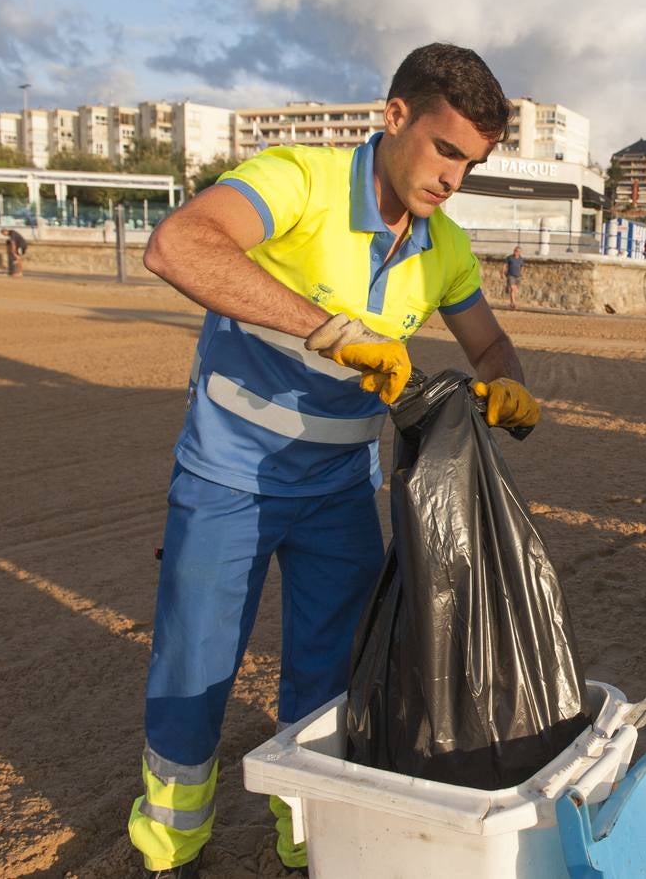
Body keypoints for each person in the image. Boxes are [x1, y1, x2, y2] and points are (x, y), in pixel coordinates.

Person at [127, 43, 541, 879]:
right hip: (227, 476)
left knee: (330, 677)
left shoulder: (444, 247)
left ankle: (309, 842)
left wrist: (505, 385)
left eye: (473, 162)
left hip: (340, 492)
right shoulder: (298, 179)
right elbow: (180, 246)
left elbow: (489, 342)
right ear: (395, 118)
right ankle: (170, 845)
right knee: (196, 668)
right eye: (445, 149)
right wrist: (330, 329)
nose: (453, 177)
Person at [503, 244, 524, 309]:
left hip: (518, 276)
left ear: (520, 252)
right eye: (515, 250)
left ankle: (511, 304)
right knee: (512, 288)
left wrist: (522, 274)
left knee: (514, 290)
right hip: (510, 275)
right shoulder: (509, 257)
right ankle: (514, 303)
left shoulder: (521, 259)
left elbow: (522, 267)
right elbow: (505, 265)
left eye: (517, 251)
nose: (516, 252)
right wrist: (502, 273)